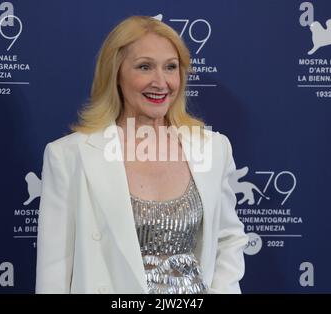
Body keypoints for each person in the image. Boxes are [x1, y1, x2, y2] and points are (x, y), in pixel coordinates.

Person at [35, 15, 248, 294]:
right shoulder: (69, 156)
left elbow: (228, 239)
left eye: (170, 67)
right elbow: (55, 268)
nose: (161, 82)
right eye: (144, 67)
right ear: (116, 74)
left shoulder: (213, 148)